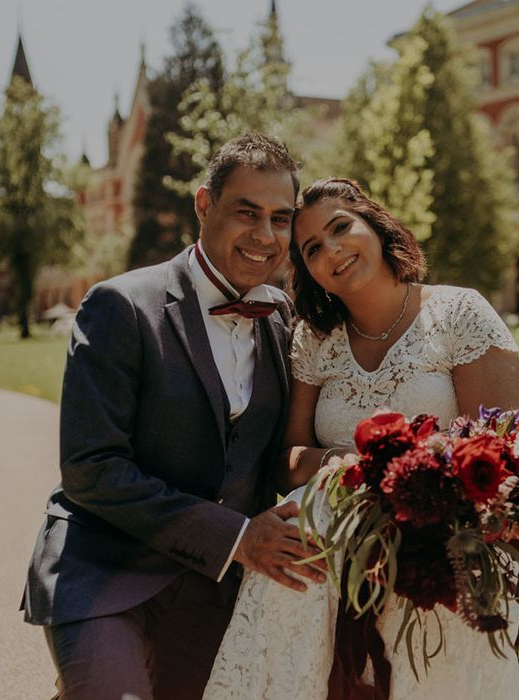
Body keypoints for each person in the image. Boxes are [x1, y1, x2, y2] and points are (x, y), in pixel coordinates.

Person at [21, 133, 327, 700]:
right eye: (247, 212)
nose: (265, 236)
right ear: (204, 205)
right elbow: (92, 469)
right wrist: (237, 537)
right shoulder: (120, 306)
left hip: (212, 593)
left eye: (281, 219)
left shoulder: (283, 320)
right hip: (106, 569)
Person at [204, 178, 519, 700]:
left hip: (445, 527)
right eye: (311, 248)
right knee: (293, 549)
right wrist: (350, 463)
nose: (332, 250)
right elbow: (288, 462)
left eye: (340, 227)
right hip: (334, 522)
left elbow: (501, 455)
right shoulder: (314, 338)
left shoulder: (457, 314)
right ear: (307, 270)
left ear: (374, 224)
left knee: (415, 578)